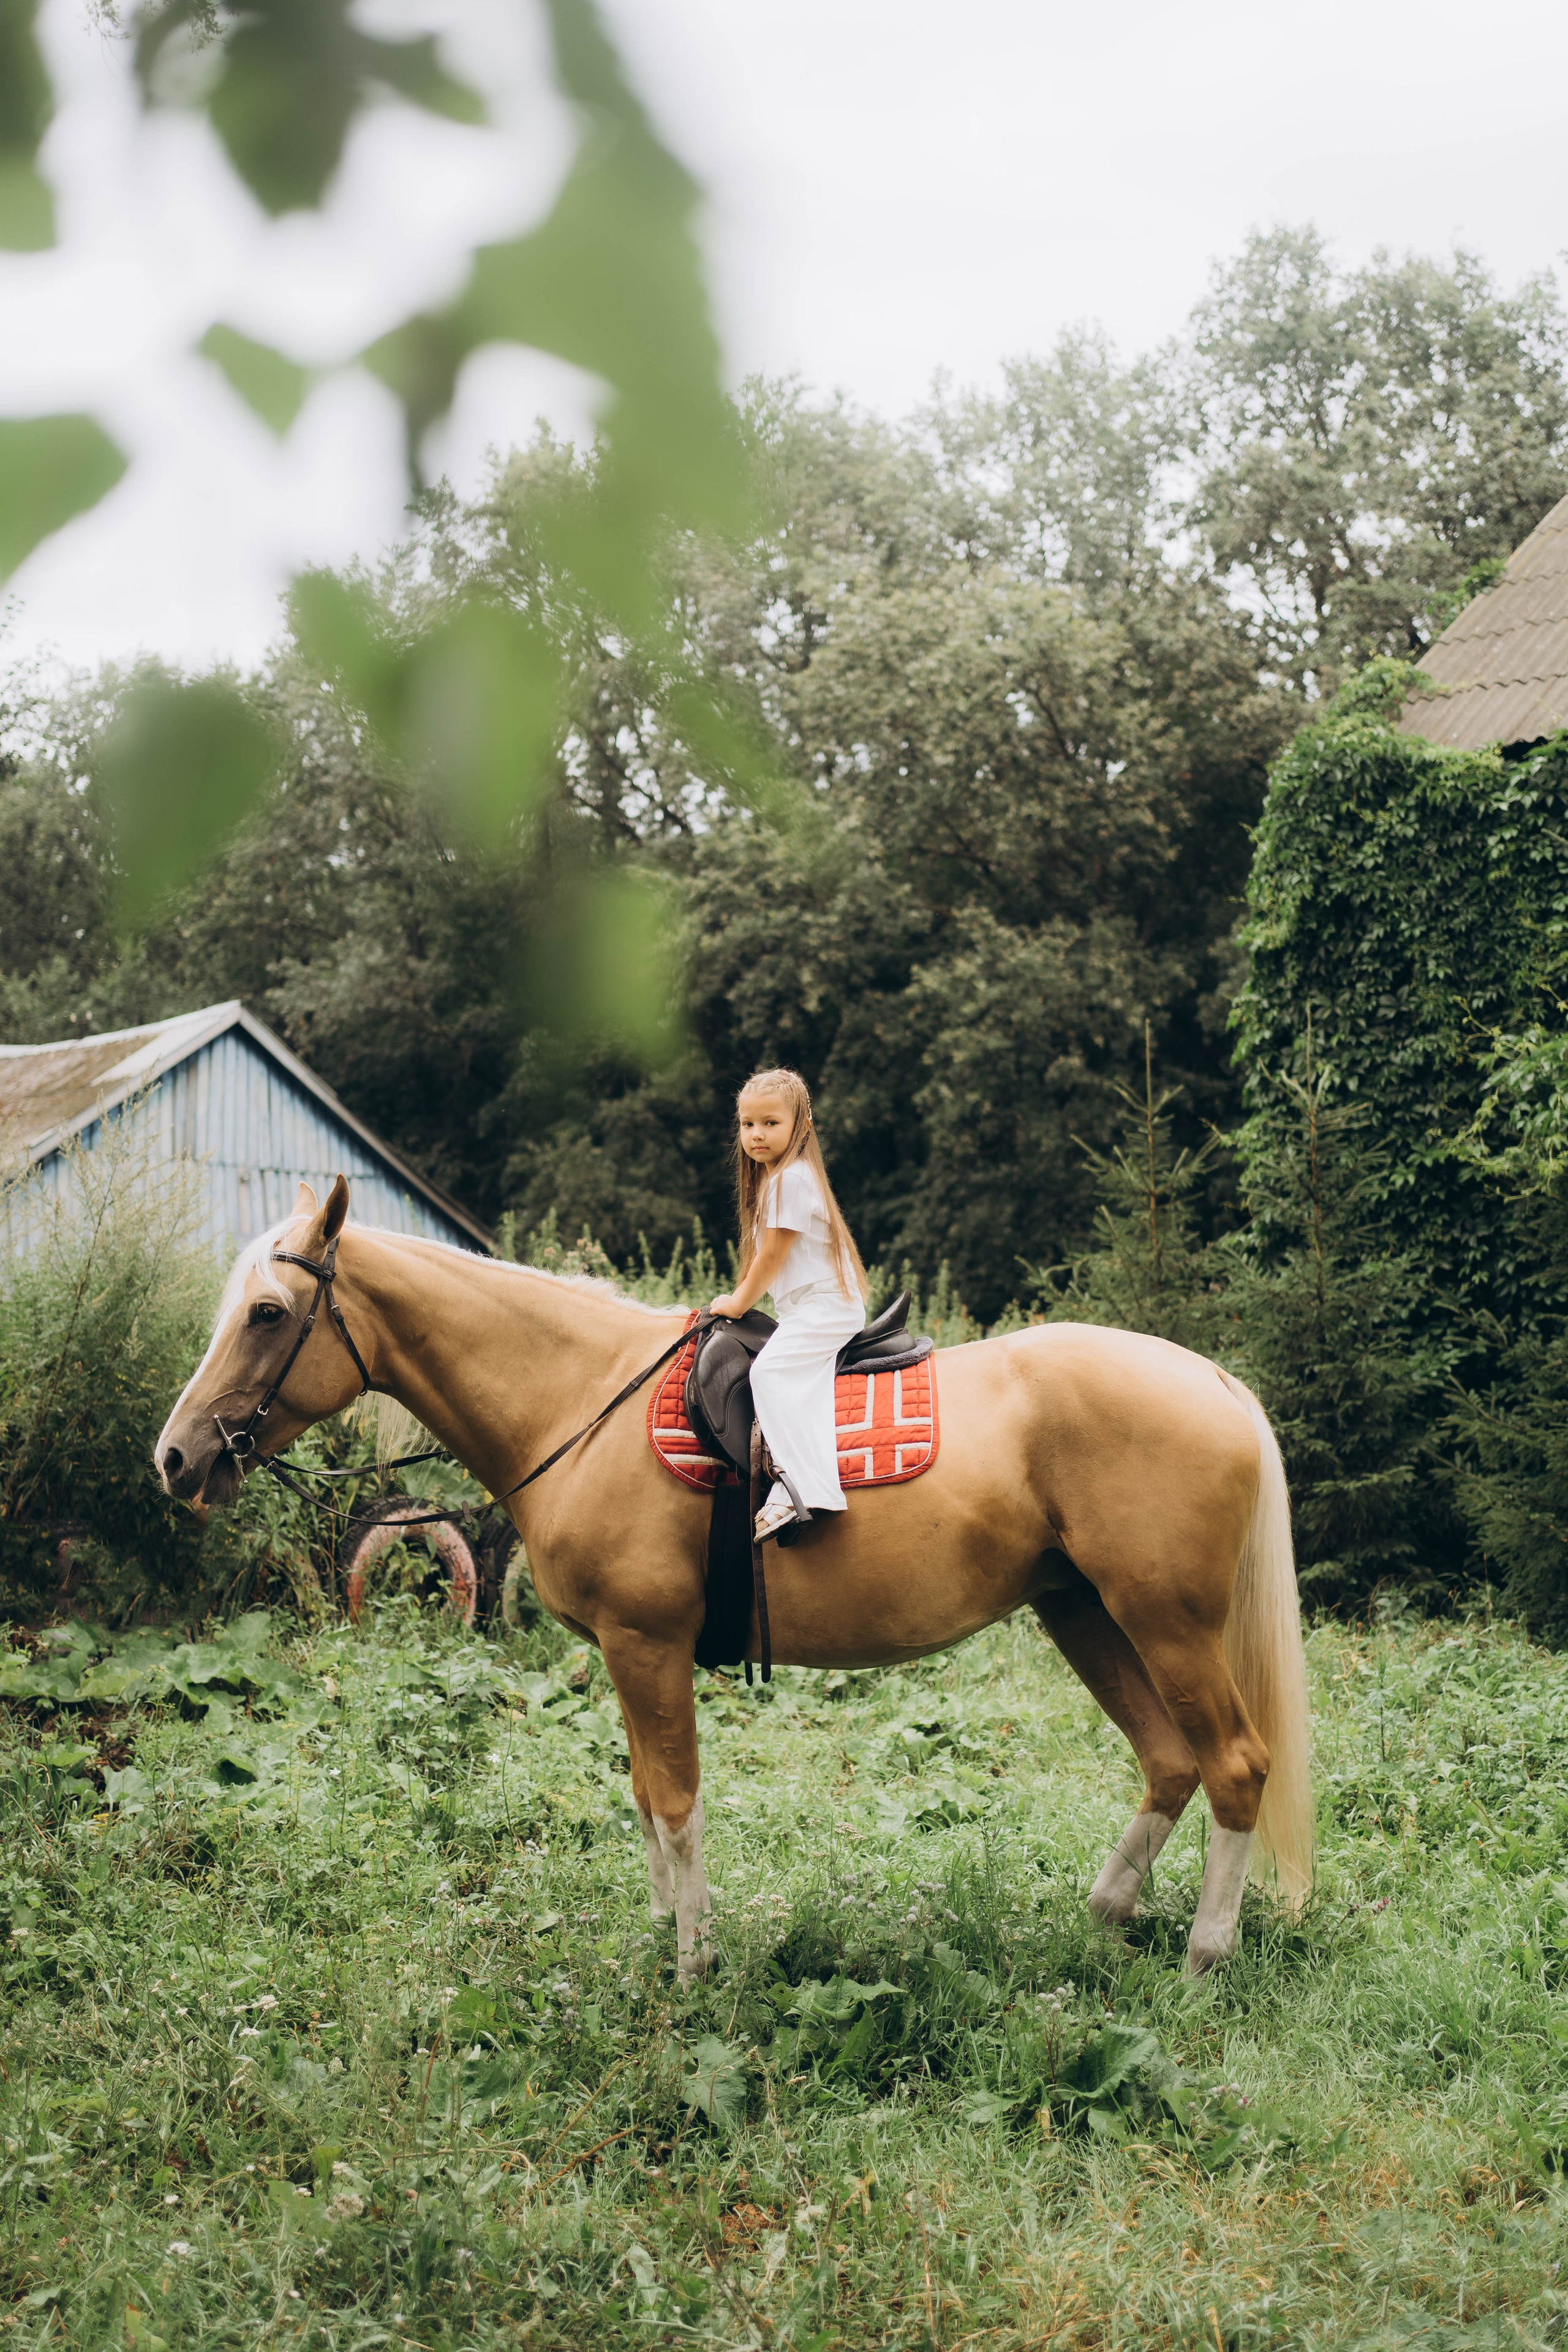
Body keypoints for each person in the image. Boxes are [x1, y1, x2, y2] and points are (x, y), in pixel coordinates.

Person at [708, 1066, 870, 1542]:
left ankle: (805, 1486)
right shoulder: (781, 1179)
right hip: (812, 1309)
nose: (756, 1134)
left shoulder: (790, 1181)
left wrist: (737, 1302)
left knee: (771, 1373)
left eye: (770, 1123)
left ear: (802, 1126)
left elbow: (773, 1257)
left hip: (824, 1307)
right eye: (747, 1124)